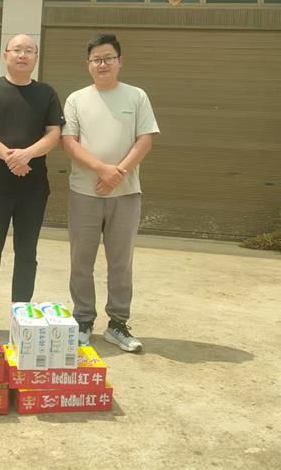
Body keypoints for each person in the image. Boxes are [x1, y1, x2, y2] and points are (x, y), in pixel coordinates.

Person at [61, 33, 159, 351]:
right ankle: (83, 320)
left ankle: (118, 324)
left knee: (121, 262)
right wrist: (103, 170)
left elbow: (145, 139)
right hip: (84, 193)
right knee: (81, 260)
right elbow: (69, 143)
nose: (102, 64)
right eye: (96, 59)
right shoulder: (76, 99)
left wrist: (119, 174)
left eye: (108, 58)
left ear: (120, 61)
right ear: (88, 64)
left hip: (126, 194)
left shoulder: (136, 96)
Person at [0, 34, 65, 332]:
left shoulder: (46, 93)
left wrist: (27, 154)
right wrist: (10, 157)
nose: (23, 55)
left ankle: (21, 313)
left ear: (36, 57)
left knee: (27, 253)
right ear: (6, 54)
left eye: (29, 50)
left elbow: (54, 134)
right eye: (17, 50)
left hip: (33, 190)